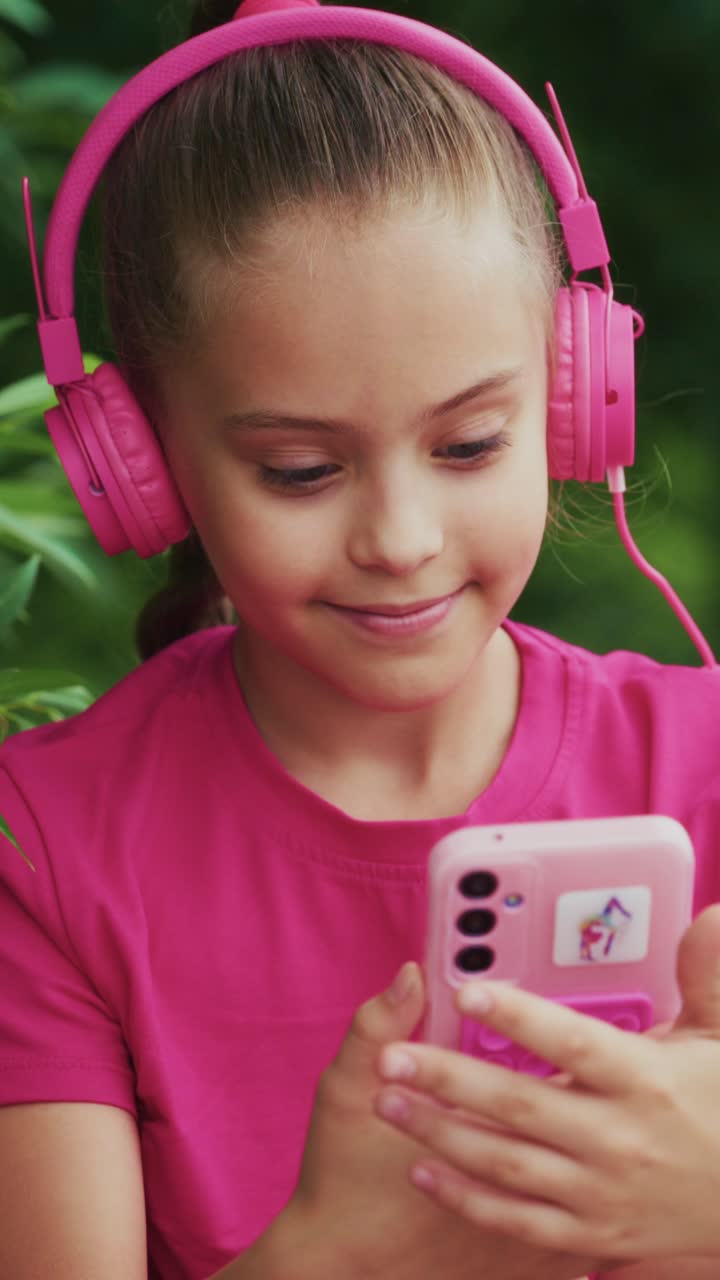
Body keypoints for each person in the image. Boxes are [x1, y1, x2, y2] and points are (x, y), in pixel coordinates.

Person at [0, 0, 719, 1277]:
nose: (400, 536)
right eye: (298, 467)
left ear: (573, 394)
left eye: (467, 445)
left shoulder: (702, 761)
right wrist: (334, 1252)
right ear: (143, 461)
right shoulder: (40, 850)